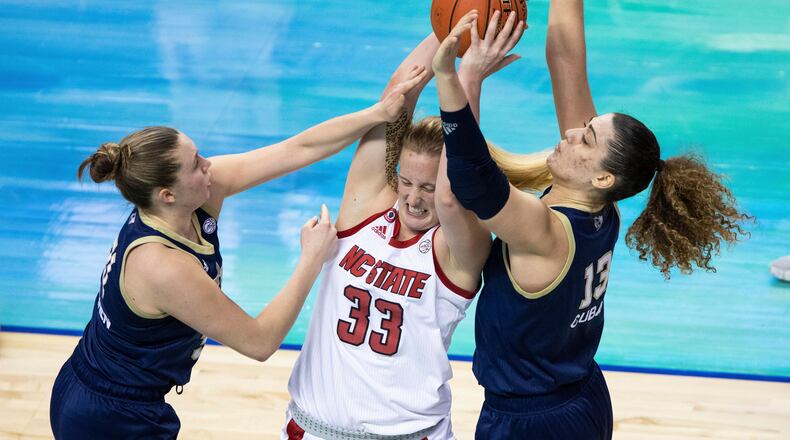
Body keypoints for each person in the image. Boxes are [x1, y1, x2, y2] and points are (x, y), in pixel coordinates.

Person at [48, 70, 427, 440]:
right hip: (107, 415)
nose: (208, 164)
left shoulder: (194, 197)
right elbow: (259, 342)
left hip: (110, 391)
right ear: (167, 194)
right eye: (196, 164)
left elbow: (297, 149)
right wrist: (313, 259)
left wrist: (377, 114)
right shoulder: (161, 266)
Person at [433, 4, 751, 439]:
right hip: (582, 399)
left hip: (532, 422)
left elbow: (464, 183)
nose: (569, 134)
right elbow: (567, 61)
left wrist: (459, 76)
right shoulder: (605, 205)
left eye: (586, 138)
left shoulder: (547, 232)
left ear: (603, 176)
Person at [282, 14, 534, 440]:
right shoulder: (366, 210)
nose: (414, 198)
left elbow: (459, 187)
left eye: (429, 188)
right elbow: (398, 90)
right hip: (312, 428)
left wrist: (466, 76)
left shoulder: (458, 249)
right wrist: (456, 27)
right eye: (407, 181)